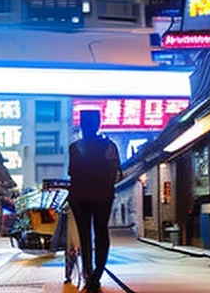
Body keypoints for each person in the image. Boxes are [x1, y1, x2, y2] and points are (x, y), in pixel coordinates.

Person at [68, 110, 122, 292]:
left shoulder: (74, 147)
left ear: (81, 126)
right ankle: (96, 275)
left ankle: (88, 273)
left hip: (79, 197)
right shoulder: (109, 146)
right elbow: (116, 172)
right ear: (98, 124)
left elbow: (72, 174)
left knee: (84, 235)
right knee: (101, 232)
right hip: (102, 196)